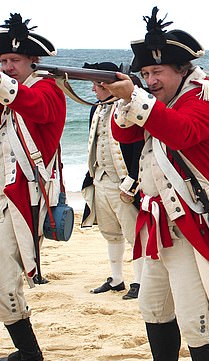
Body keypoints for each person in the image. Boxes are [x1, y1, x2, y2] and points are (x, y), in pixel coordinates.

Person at [102, 7, 209, 361]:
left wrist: (134, 96)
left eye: (158, 71)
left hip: (192, 223)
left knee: (197, 317)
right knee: (154, 306)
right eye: (145, 73)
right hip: (159, 222)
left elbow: (180, 132)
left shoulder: (205, 98)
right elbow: (124, 133)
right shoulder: (156, 100)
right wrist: (124, 98)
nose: (151, 80)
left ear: (182, 69)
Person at [0, 13, 64, 361]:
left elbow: (34, 107)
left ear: (32, 63)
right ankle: (25, 355)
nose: (8, 67)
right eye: (3, 62)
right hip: (4, 195)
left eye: (14, 62)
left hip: (24, 200)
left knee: (4, 282)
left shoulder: (46, 90)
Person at [80, 61, 144, 300]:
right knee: (110, 234)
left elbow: (139, 146)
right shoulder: (95, 109)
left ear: (106, 85)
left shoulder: (128, 107)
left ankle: (139, 282)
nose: (93, 90)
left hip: (124, 182)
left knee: (135, 235)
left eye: (96, 85)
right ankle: (116, 279)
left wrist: (134, 182)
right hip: (101, 179)